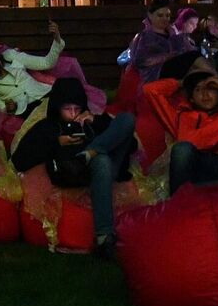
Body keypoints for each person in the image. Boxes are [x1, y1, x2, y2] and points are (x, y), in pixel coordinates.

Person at [11, 77, 138, 255]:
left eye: (77, 109)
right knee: (101, 160)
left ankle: (92, 150)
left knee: (126, 120)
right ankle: (104, 236)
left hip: (108, 172)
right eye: (67, 109)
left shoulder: (92, 121)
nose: (72, 113)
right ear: (57, 108)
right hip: (71, 171)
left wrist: (96, 122)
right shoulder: (48, 127)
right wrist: (57, 143)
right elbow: (20, 159)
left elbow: (130, 144)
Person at [0, 22, 65, 117]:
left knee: (69, 84)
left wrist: (57, 39)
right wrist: (10, 107)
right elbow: (2, 107)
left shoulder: (9, 55)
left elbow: (46, 63)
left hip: (44, 94)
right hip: (27, 109)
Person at [128, 0, 194, 85]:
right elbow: (139, 61)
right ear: (150, 15)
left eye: (167, 16)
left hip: (179, 70)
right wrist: (167, 57)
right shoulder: (144, 37)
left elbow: (190, 52)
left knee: (195, 56)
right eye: (160, 15)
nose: (165, 19)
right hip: (155, 74)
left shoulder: (176, 37)